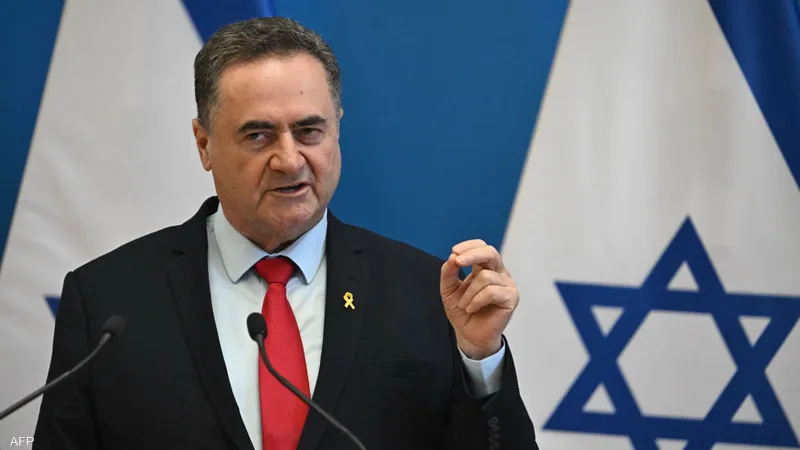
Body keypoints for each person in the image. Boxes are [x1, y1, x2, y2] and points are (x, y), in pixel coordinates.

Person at [33, 17, 538, 450]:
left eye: (309, 131)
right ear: (204, 144)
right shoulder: (107, 303)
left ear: (337, 129)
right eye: (258, 135)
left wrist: (480, 360)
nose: (290, 160)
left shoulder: (427, 294)